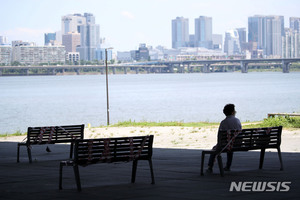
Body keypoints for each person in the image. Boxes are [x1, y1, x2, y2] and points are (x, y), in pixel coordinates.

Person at [207, 104, 242, 173]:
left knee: (214, 149)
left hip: (225, 144)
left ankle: (210, 167)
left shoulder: (223, 122)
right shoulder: (237, 121)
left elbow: (219, 135)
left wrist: (219, 143)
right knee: (230, 146)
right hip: (236, 144)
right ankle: (228, 166)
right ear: (232, 112)